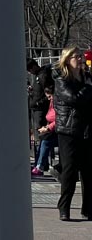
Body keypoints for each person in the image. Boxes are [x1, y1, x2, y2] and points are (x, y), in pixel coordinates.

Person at [53, 46, 92, 221]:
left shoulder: (87, 77)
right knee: (69, 171)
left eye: (81, 56)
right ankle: (64, 208)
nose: (80, 59)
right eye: (76, 56)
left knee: (88, 171)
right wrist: (88, 88)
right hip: (69, 130)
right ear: (67, 59)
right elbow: (73, 99)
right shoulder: (62, 80)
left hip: (86, 129)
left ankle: (88, 209)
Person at [34, 86, 56, 177]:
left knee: (46, 141)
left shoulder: (57, 103)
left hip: (57, 128)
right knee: (43, 139)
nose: (49, 99)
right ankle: (39, 164)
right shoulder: (52, 102)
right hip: (52, 126)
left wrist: (47, 128)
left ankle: (40, 166)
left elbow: (58, 119)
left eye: (50, 96)